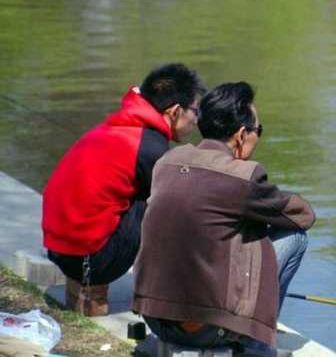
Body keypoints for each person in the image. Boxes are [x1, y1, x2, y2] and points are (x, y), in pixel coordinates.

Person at [133, 82, 315, 356]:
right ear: (242, 135)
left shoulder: (168, 161)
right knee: (295, 238)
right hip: (206, 332)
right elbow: (303, 215)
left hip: (155, 319)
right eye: (258, 131)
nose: (257, 137)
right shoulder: (242, 176)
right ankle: (257, 344)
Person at [42, 63, 206, 316]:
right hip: (90, 262)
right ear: (175, 111)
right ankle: (185, 301)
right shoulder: (150, 147)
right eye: (195, 111)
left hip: (59, 249)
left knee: (159, 189)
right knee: (170, 203)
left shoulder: (119, 126)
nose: (197, 120)